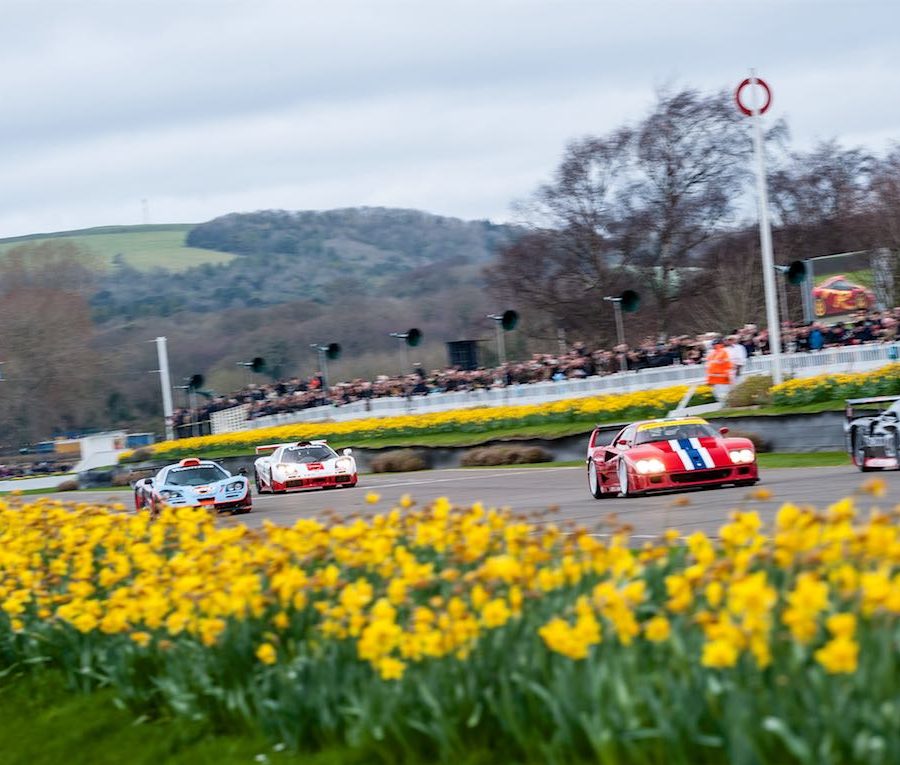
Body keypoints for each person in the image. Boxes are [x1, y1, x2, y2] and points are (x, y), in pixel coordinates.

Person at [705, 338, 733, 404]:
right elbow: (710, 368)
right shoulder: (713, 353)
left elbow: (727, 365)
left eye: (715, 344)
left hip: (721, 379)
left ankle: (726, 407)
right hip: (716, 379)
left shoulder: (723, 352)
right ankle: (724, 408)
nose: (713, 346)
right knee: (719, 396)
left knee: (723, 395)